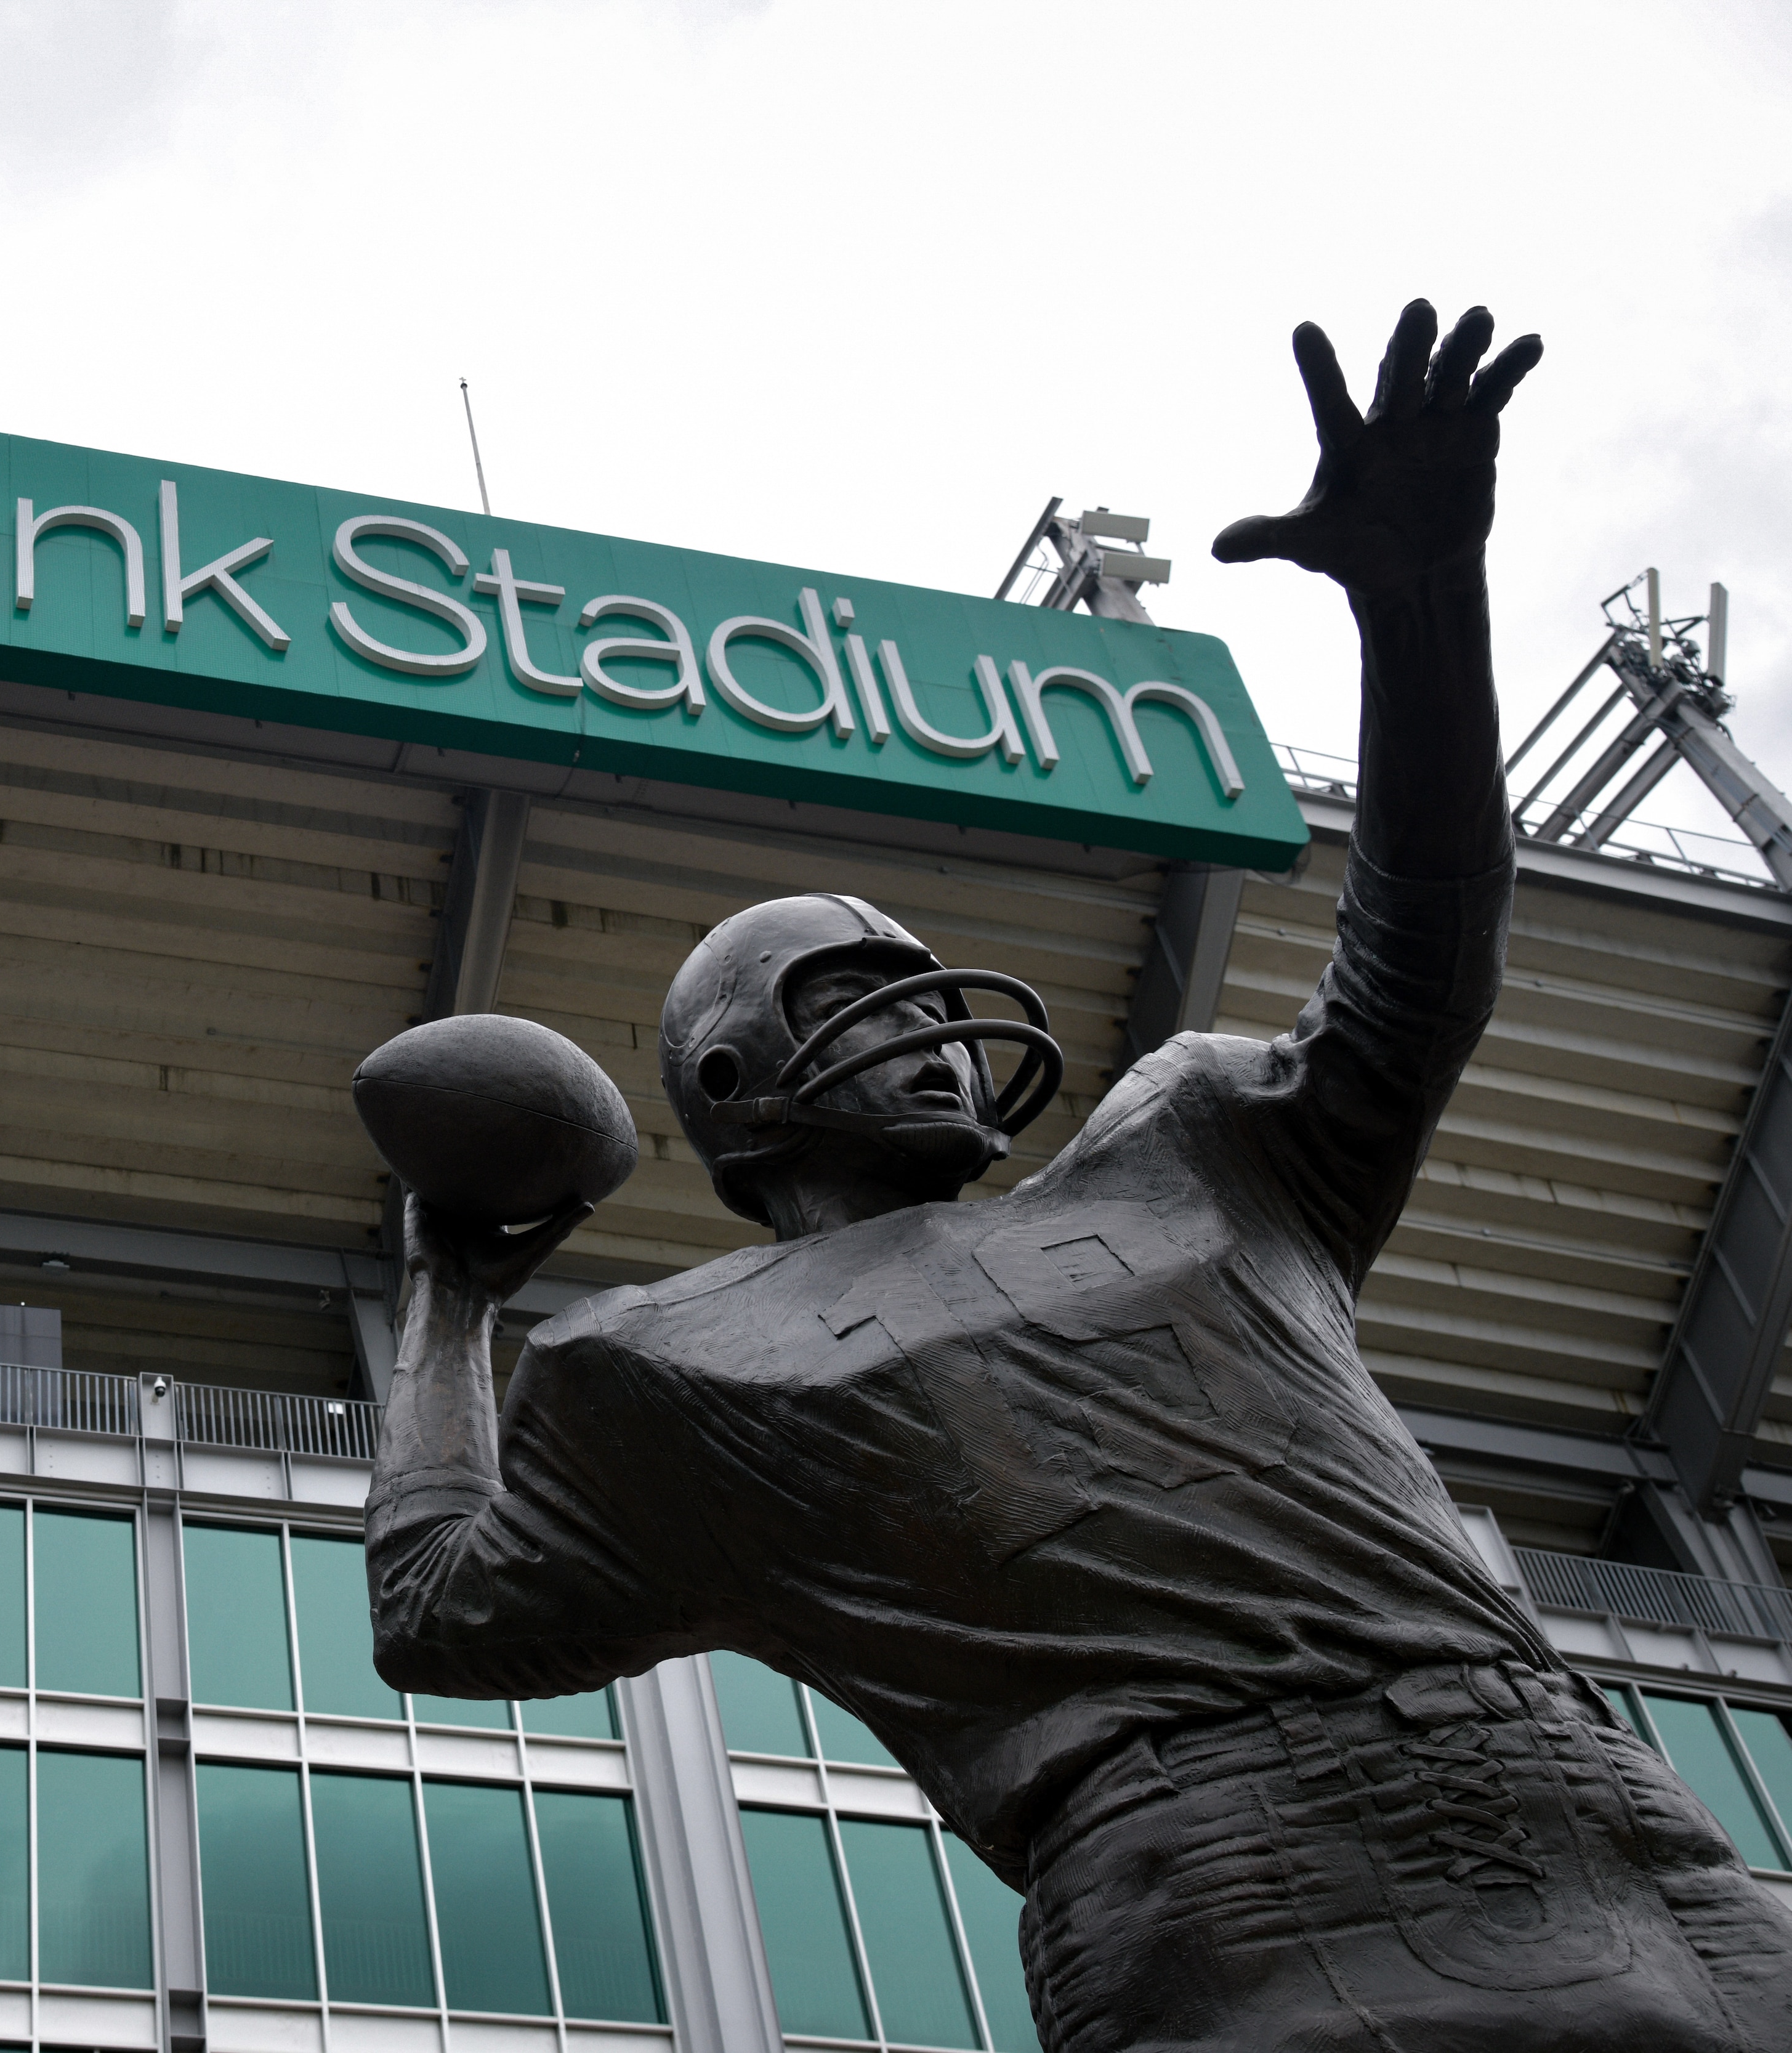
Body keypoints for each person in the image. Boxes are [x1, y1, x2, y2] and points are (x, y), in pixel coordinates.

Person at [366, 302, 1792, 2051]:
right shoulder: (660, 1368)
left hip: (1609, 1802)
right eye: (858, 1000)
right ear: (736, 1088)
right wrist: (449, 1301)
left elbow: (1424, 943)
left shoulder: (1200, 1148)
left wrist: (1420, 604)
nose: (933, 1029)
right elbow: (436, 1613)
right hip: (1244, 1881)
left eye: (923, 988)